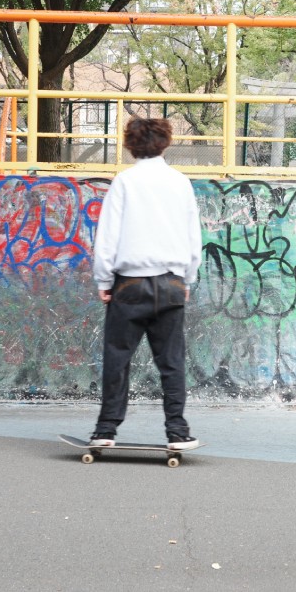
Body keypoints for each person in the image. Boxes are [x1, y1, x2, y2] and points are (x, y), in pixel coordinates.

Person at [89, 117, 203, 450]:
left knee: (117, 358)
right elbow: (192, 237)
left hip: (129, 285)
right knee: (171, 362)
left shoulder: (124, 182)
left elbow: (107, 236)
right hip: (170, 282)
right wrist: (187, 278)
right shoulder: (180, 182)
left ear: (130, 144)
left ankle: (105, 431)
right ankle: (178, 432)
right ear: (165, 142)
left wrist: (103, 279)